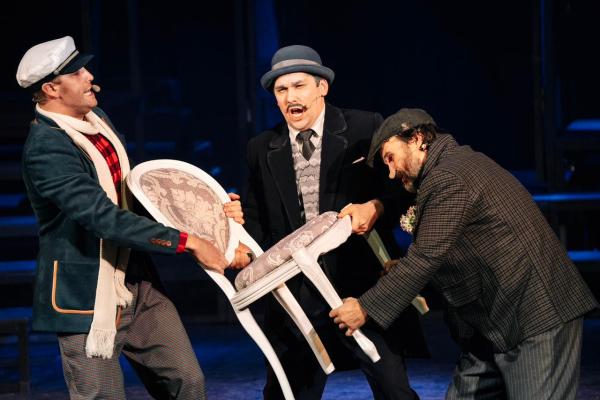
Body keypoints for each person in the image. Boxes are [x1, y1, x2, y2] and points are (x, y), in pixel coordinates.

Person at [17, 36, 246, 399]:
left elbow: (135, 190)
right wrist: (188, 241)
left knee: (187, 381)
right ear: (51, 89)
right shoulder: (47, 148)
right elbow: (104, 219)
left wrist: (207, 212)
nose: (90, 76)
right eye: (76, 73)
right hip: (88, 294)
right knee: (103, 396)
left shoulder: (97, 120)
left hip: (137, 280)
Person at [330, 108, 599, 399]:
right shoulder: (450, 169)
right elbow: (454, 249)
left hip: (535, 316)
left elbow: (426, 258)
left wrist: (365, 308)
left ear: (417, 139)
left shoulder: (449, 177)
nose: (392, 173)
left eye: (390, 158)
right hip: (493, 326)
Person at [242, 45, 425, 400]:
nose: (290, 97)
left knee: (393, 389)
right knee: (287, 392)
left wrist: (376, 207)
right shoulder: (261, 147)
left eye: (299, 86)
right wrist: (237, 230)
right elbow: (256, 217)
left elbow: (402, 190)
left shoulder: (364, 127)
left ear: (322, 87)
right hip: (297, 294)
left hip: (361, 285)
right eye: (281, 90)